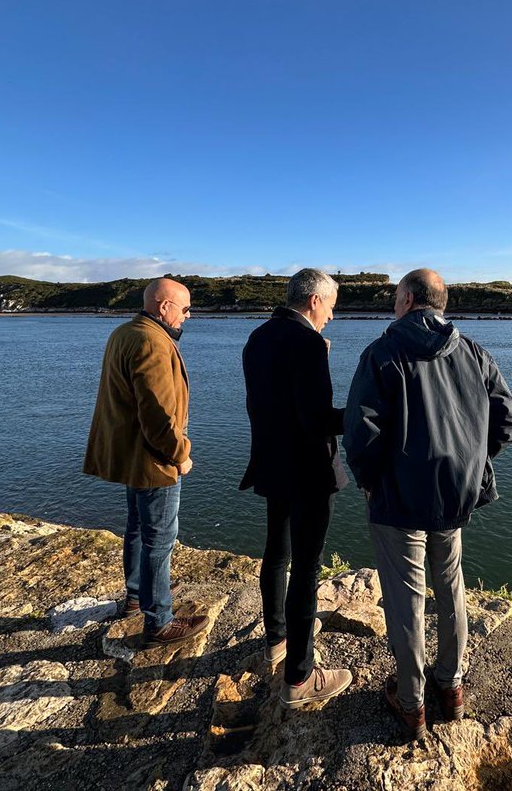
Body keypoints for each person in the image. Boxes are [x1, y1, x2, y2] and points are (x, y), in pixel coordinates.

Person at [345, 269, 512, 740]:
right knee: (451, 588)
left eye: (395, 297)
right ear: (441, 303)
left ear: (405, 299)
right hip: (454, 496)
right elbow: (506, 421)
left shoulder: (381, 353)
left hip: (398, 500)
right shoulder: (474, 352)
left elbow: (361, 434)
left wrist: (367, 481)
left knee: (405, 603)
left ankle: (410, 702)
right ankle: (451, 686)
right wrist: (470, 463)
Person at [240, 268, 353, 708]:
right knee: (306, 567)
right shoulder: (307, 344)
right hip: (307, 469)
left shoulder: (257, 338)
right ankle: (300, 678)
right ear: (313, 301)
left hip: (270, 460)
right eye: (330, 307)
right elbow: (317, 420)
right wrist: (363, 412)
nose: (330, 317)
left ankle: (276, 638)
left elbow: (268, 400)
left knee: (276, 550)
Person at [84, 277, 209, 648]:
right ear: (164, 306)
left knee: (137, 527)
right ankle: (159, 623)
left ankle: (135, 599)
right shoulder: (153, 341)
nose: (188, 316)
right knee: (160, 539)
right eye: (185, 309)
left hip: (131, 456)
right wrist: (181, 454)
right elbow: (158, 417)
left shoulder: (125, 332)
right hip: (154, 460)